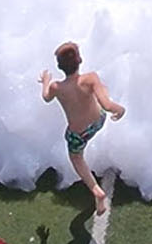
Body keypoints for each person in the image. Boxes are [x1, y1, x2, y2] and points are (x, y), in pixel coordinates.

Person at [39, 41, 127, 214]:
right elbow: (107, 105)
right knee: (101, 89)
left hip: (78, 134)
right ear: (80, 60)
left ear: (59, 66)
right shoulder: (91, 78)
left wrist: (45, 82)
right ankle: (101, 91)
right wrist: (120, 109)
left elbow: (46, 97)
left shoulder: (56, 87)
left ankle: (97, 192)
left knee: (76, 158)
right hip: (97, 122)